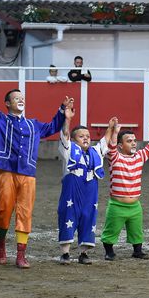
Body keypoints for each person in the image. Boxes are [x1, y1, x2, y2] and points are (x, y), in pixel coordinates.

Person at [0, 69, 68, 268]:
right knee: (4, 210)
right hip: (6, 170)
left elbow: (52, 127)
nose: (20, 100)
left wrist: (62, 110)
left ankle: (21, 255)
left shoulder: (34, 125)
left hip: (28, 173)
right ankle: (1, 246)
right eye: (16, 98)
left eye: (22, 98)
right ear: (7, 103)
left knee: (25, 212)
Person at [101, 119, 149, 260]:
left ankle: (137, 251)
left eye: (134, 140)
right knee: (111, 230)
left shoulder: (140, 156)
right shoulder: (115, 157)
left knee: (136, 230)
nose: (134, 143)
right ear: (120, 145)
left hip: (135, 205)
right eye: (129, 141)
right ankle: (109, 252)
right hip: (117, 205)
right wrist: (115, 132)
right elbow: (111, 147)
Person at [56, 111, 108, 265]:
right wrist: (68, 119)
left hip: (90, 196)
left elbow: (104, 142)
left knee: (88, 219)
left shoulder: (95, 152)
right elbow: (65, 134)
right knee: (67, 218)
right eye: (81, 136)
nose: (86, 138)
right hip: (71, 195)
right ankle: (65, 253)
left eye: (87, 135)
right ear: (73, 139)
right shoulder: (68, 150)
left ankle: (83, 253)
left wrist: (112, 129)